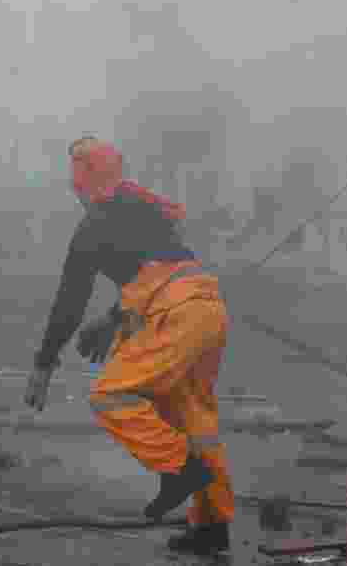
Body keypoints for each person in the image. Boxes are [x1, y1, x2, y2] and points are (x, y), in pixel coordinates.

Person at [24, 137, 234, 556]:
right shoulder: (147, 206)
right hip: (207, 308)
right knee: (196, 418)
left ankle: (178, 470)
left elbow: (70, 302)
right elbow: (156, 270)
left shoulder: (93, 225)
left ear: (83, 184)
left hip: (174, 313)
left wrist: (44, 364)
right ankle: (212, 527)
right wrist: (113, 318)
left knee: (111, 395)